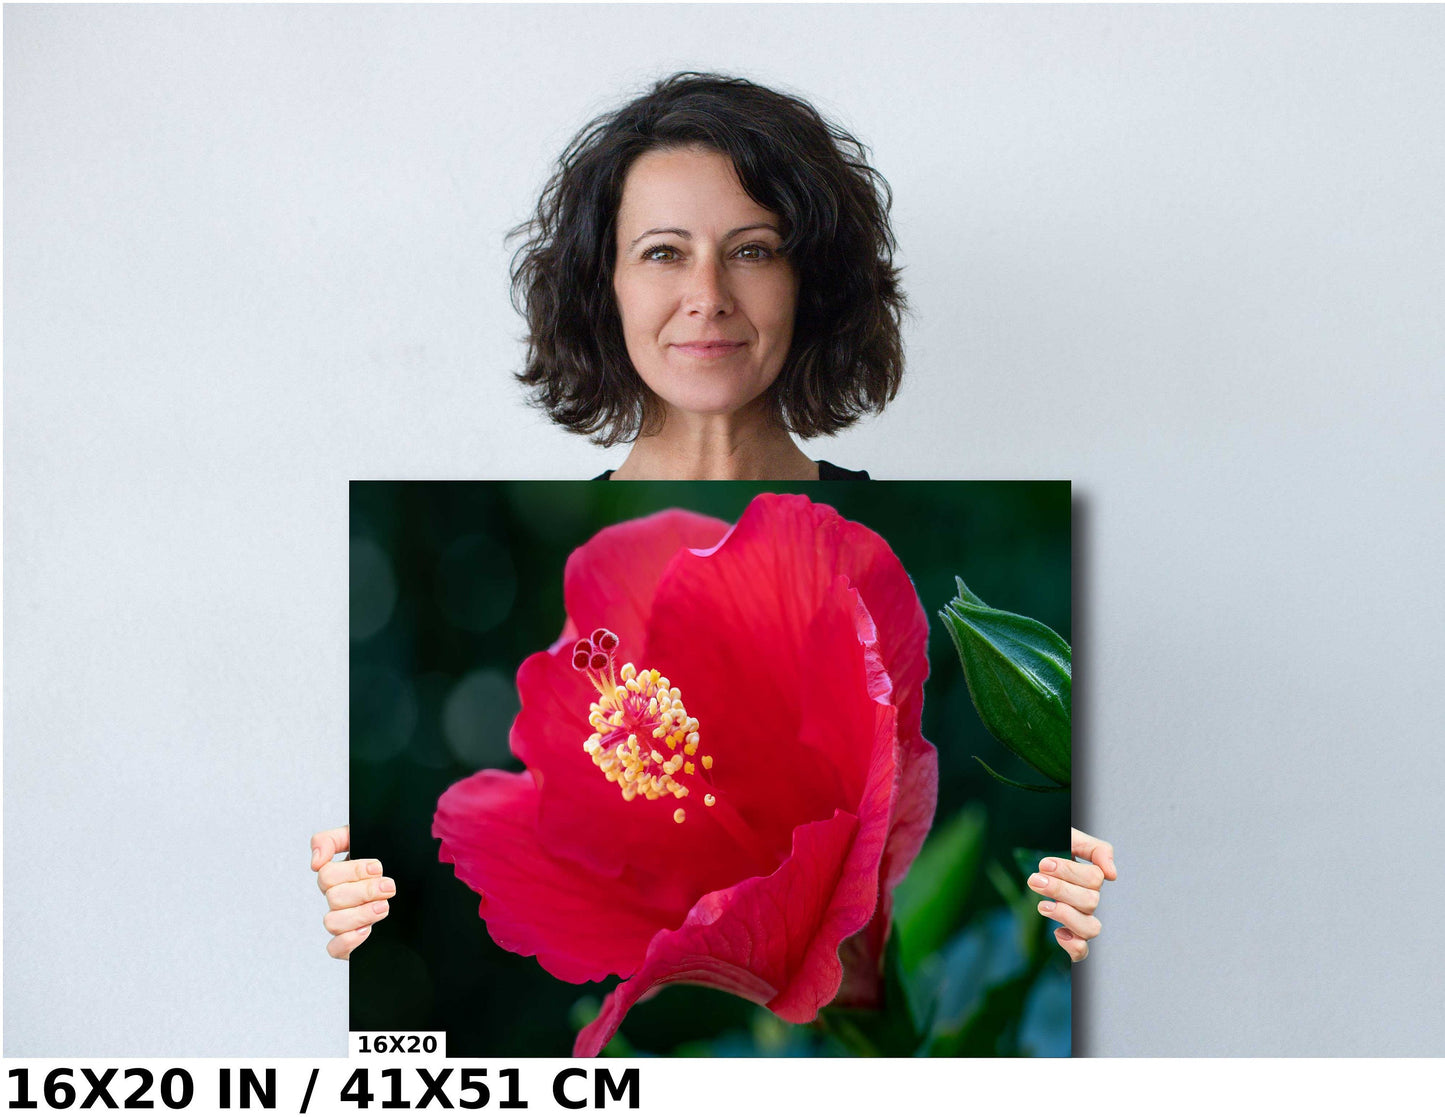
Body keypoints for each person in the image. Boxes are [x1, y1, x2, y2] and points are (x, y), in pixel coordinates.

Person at [316, 72, 1116, 964]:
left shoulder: (836, 545)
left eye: (753, 249)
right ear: (603, 286)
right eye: (661, 252)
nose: (708, 295)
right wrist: (334, 923)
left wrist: (1102, 921)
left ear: (810, 283)